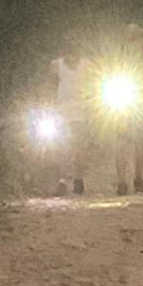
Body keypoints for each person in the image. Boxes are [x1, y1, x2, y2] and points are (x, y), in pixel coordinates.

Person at [49, 43, 93, 196]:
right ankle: (62, 180)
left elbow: (94, 85)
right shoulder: (56, 65)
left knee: (79, 149)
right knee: (61, 148)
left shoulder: (87, 65)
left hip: (80, 113)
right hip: (61, 113)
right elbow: (50, 86)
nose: (71, 56)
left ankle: (78, 179)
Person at [114, 23, 143, 197]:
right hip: (122, 99)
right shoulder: (119, 56)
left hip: (141, 101)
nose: (132, 39)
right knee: (121, 141)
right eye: (130, 36)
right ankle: (122, 180)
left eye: (135, 36)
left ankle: (138, 176)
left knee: (139, 142)